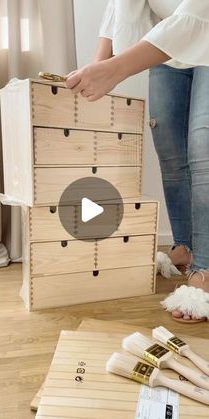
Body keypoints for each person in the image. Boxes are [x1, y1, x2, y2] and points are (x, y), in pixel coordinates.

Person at [66, 0, 209, 323]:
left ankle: (207, 267)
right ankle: (185, 247)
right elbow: (118, 7)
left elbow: (197, 13)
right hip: (165, 41)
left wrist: (114, 69)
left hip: (200, 22)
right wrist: (94, 71)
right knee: (170, 147)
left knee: (204, 147)